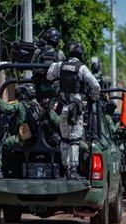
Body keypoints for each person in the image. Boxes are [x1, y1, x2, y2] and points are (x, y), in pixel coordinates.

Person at [46, 42, 101, 180]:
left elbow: (49, 76)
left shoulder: (60, 65)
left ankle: (65, 170)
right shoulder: (81, 68)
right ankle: (73, 171)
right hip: (75, 109)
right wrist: (92, 96)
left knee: (64, 139)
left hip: (62, 106)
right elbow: (95, 85)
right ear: (81, 55)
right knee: (75, 139)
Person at [0, 84, 44, 178]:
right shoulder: (36, 106)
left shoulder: (20, 106)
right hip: (36, 139)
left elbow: (6, 108)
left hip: (22, 139)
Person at [32, 27, 66, 101]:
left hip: (38, 89)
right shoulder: (60, 53)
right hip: (54, 91)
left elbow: (32, 65)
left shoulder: (38, 52)